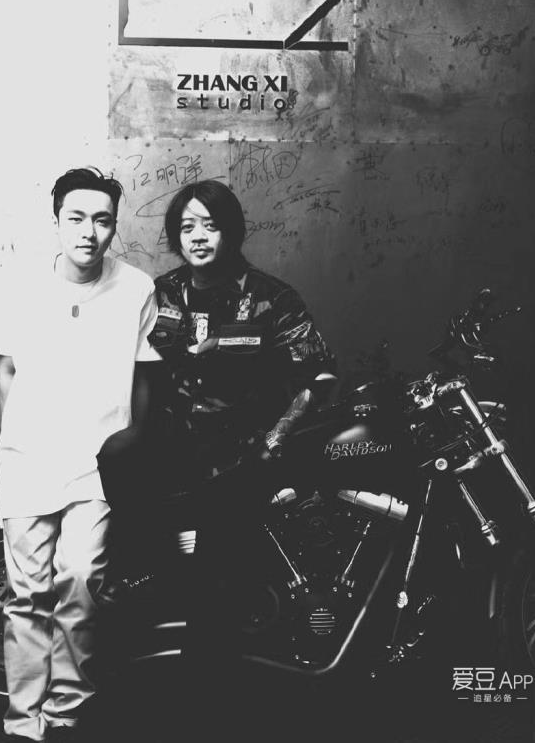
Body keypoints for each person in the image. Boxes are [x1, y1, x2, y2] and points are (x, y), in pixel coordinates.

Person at [0, 167, 160, 743]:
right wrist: (23, 438)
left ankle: (65, 711)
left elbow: (144, 373)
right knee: (28, 594)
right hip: (28, 461)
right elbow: (6, 369)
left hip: (98, 466)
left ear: (114, 227)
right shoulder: (18, 285)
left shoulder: (136, 287)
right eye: (76, 218)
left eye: (102, 220)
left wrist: (131, 438)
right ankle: (23, 721)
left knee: (80, 580)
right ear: (56, 221)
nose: (89, 231)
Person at [147, 179, 335, 732]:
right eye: (187, 227)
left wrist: (275, 440)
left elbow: (320, 377)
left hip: (243, 457)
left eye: (210, 225)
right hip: (172, 452)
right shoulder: (160, 293)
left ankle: (205, 701)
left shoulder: (272, 297)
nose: (198, 237)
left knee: (218, 574)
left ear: (231, 231)